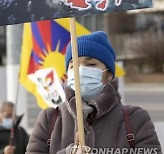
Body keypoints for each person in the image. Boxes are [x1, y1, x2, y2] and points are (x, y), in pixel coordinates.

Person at [26, 31, 162, 154]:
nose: (80, 71)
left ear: (109, 74)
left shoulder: (134, 118)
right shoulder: (49, 119)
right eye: (73, 65)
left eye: (91, 64)